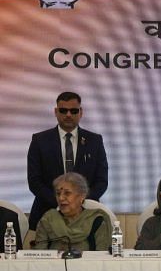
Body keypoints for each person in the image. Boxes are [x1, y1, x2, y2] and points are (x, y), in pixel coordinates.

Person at [27, 92, 108, 232]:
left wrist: (79, 203)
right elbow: (34, 181)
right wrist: (61, 202)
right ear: (56, 112)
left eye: (74, 110)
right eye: (63, 110)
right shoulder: (39, 141)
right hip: (47, 212)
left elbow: (101, 181)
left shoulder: (95, 141)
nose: (68, 114)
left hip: (86, 215)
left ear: (81, 112)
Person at [33, 172, 112, 251]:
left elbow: (101, 257)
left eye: (67, 193)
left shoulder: (96, 220)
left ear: (82, 196)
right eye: (58, 193)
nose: (61, 198)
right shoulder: (48, 220)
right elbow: (39, 254)